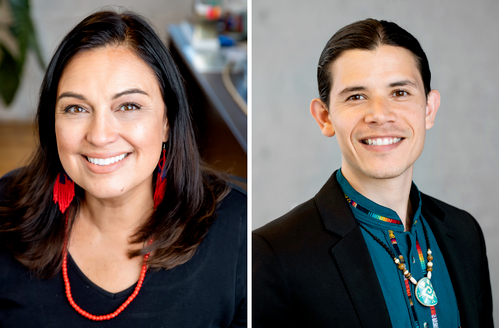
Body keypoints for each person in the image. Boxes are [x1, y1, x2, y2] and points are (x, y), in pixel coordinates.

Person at [0, 10, 246, 327]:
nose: (100, 135)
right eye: (76, 108)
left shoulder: (240, 232)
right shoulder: (5, 211)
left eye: (128, 106)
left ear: (167, 121)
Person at [253, 18, 493, 328]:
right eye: (356, 96)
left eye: (400, 93)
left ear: (429, 109)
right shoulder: (275, 254)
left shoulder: (464, 232)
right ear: (324, 117)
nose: (380, 114)